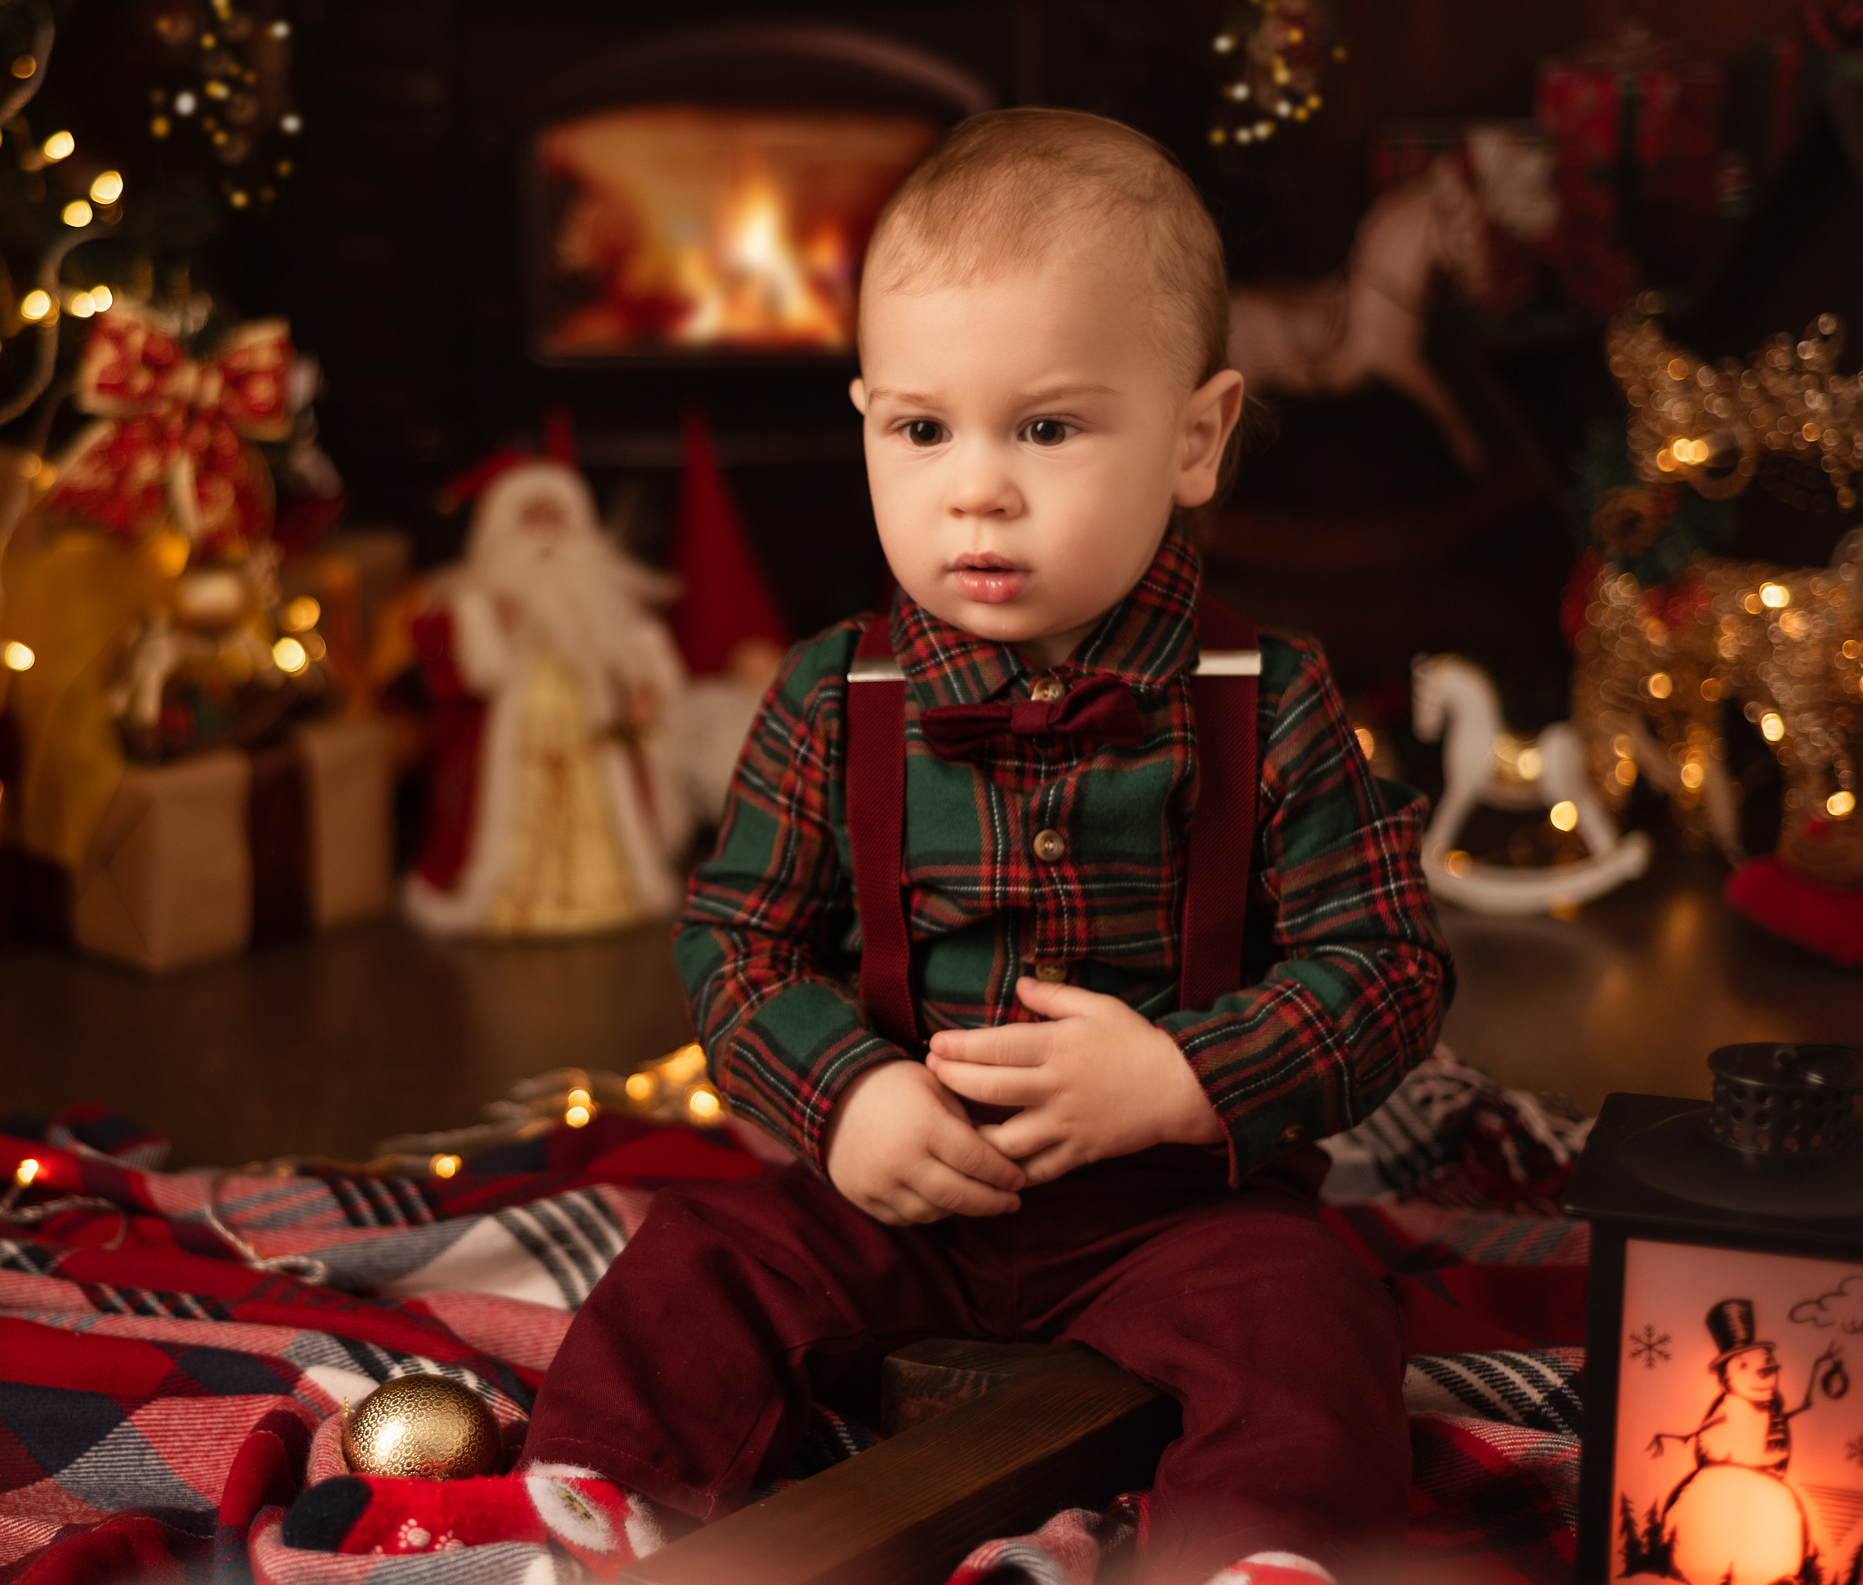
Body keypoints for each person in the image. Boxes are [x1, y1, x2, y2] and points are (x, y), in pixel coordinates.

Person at [287, 110, 1453, 1583]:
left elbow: (1392, 965)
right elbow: (737, 940)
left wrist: (1186, 1076)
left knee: (1314, 1312)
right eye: (923, 429)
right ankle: (600, 1500)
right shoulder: (839, 697)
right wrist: (846, 1102)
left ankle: (1262, 1554)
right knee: (703, 1258)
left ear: (1198, 437)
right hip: (901, 1196)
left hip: (1180, 1214)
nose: (977, 487)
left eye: (1047, 427)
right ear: (867, 425)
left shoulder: (1268, 700)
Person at [401, 456, 691, 937]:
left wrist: (646, 690)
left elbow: (640, 654)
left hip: (591, 736)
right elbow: (461, 672)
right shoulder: (474, 601)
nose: (545, 532)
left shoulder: (604, 592)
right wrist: (491, 625)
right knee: (517, 819)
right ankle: (510, 897)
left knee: (597, 817)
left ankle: (604, 892)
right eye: (531, 518)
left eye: (555, 516)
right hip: (514, 744)